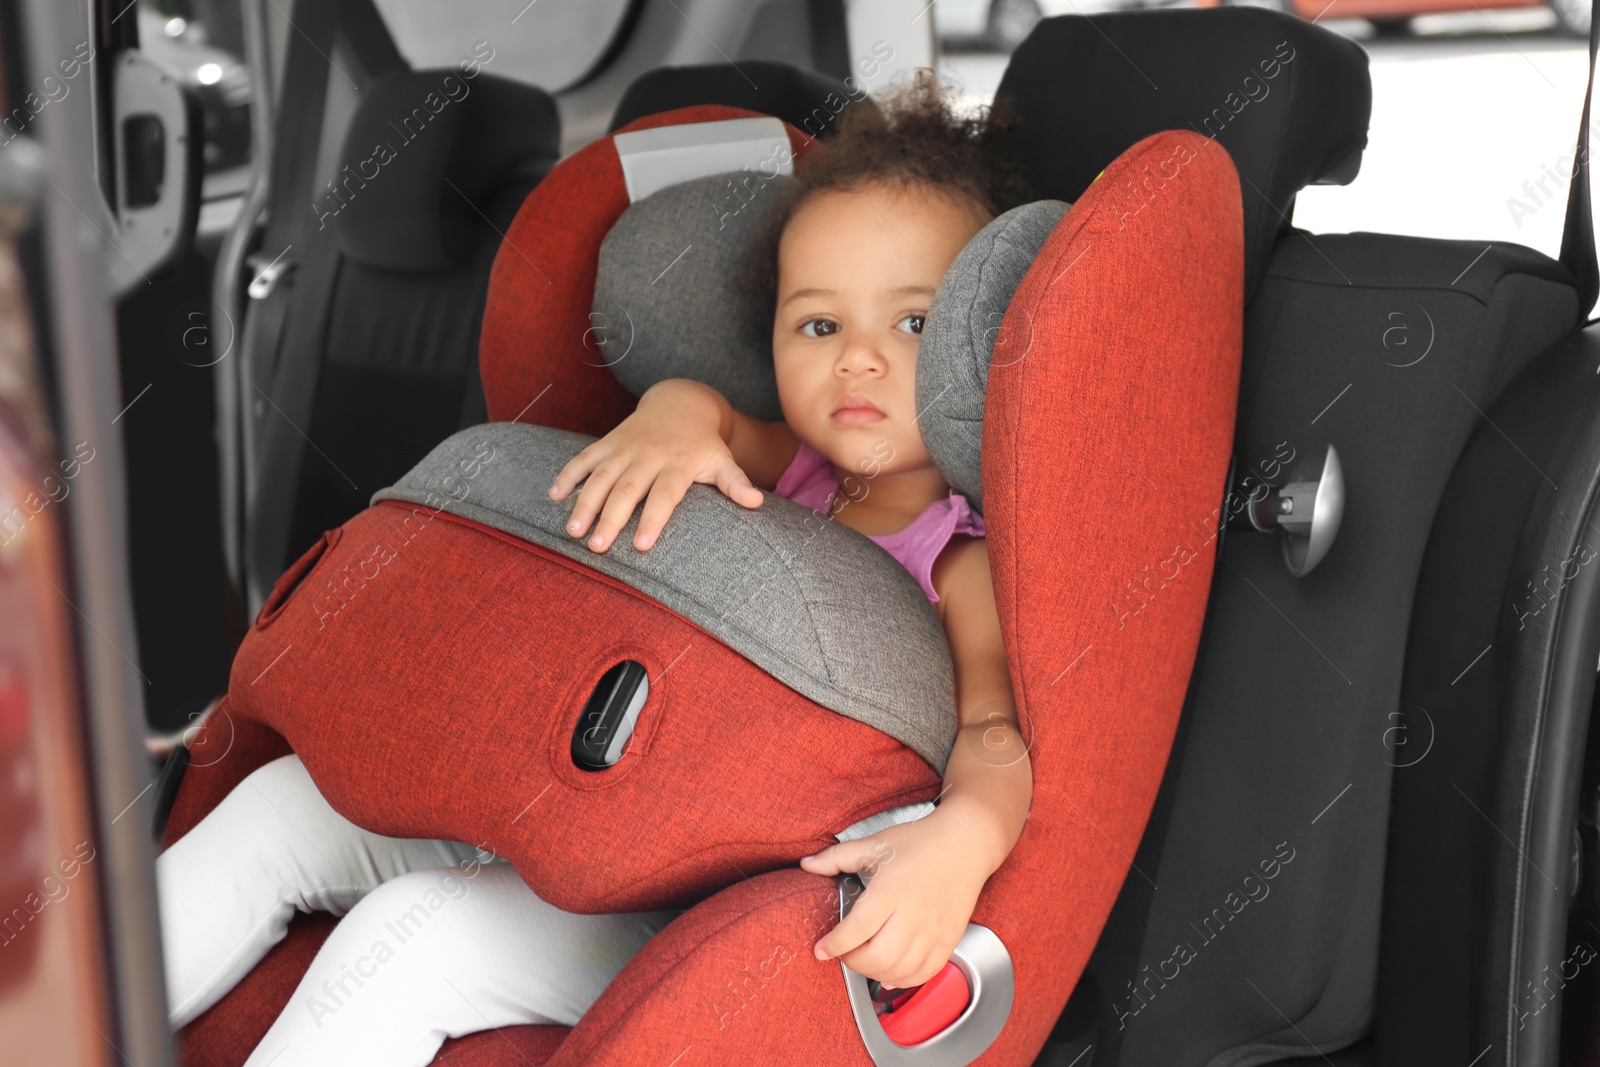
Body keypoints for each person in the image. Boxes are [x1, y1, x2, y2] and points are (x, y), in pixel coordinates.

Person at [156, 70, 1035, 1066]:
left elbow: (996, 728)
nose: (859, 360)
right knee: (283, 809)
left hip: (698, 906)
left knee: (413, 936)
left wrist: (964, 835)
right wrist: (668, 415)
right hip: (573, 810)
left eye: (911, 323)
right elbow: (704, 408)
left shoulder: (955, 555)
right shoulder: (787, 461)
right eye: (818, 325)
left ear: (976, 345)